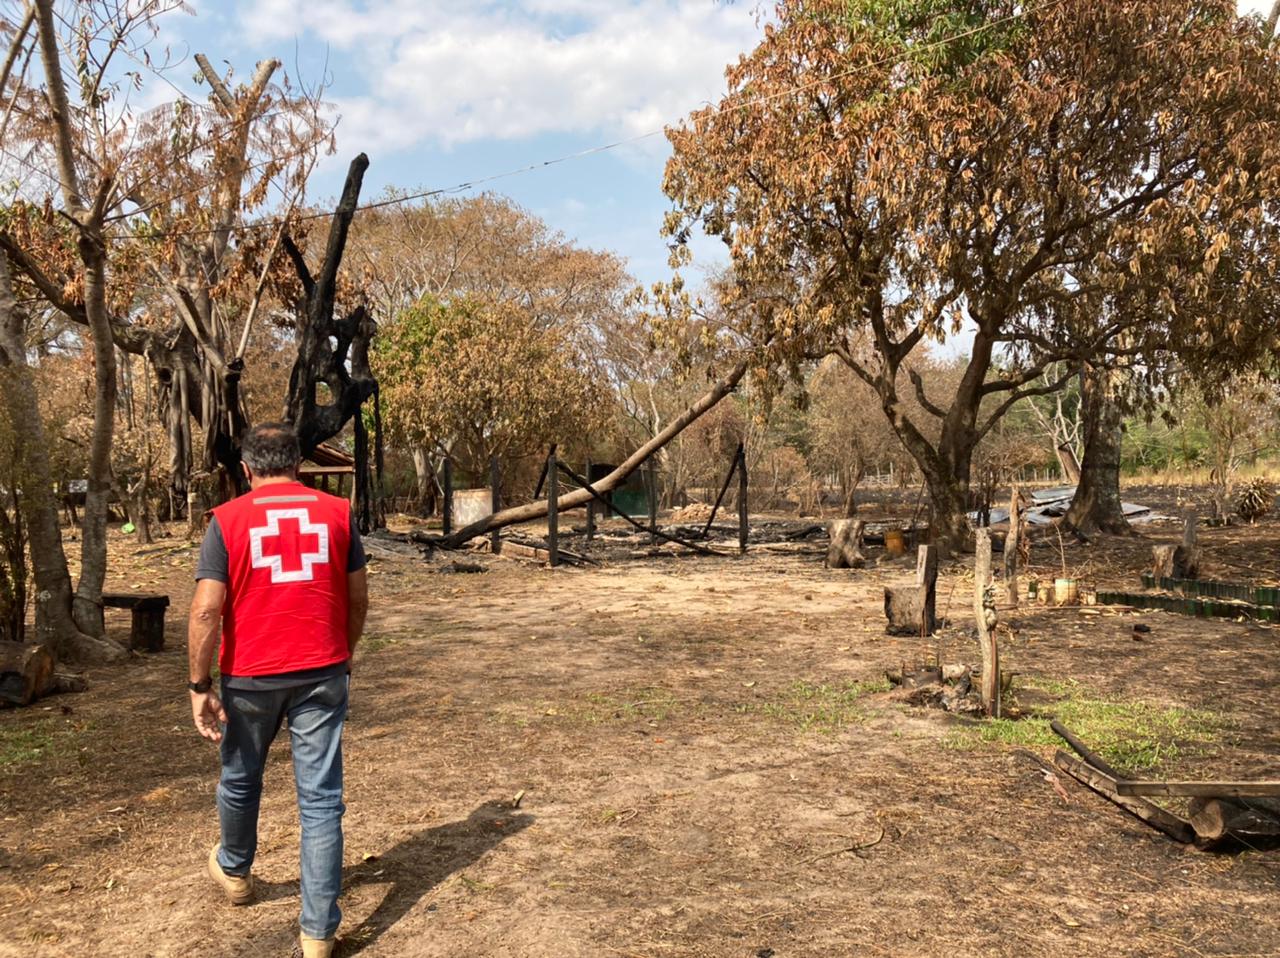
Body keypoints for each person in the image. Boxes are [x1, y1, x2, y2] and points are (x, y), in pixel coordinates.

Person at [187, 422, 369, 958]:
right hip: (322, 672)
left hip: (250, 675)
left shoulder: (227, 520)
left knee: (240, 778)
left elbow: (206, 610)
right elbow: (358, 598)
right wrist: (344, 652)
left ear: (246, 469)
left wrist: (199, 684)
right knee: (321, 802)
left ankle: (234, 869)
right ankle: (318, 934)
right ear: (298, 464)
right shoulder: (338, 514)